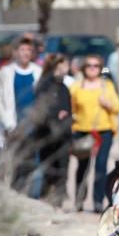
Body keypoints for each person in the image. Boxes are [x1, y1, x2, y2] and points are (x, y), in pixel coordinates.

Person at [70, 54, 119, 213]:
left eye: (96, 66)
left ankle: (98, 201)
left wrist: (108, 104)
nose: (92, 68)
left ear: (100, 68)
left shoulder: (107, 86)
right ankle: (79, 199)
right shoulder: (76, 87)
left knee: (101, 166)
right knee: (82, 167)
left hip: (104, 131)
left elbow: (118, 107)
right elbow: (72, 108)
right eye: (89, 66)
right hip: (82, 131)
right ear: (84, 68)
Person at [0, 38, 42, 189]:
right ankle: (14, 191)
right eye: (22, 50)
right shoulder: (6, 72)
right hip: (13, 124)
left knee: (34, 160)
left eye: (29, 50)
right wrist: (6, 122)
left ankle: (35, 194)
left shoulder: (38, 72)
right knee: (15, 160)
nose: (25, 53)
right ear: (15, 52)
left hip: (33, 124)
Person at [31, 54, 73, 208]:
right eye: (64, 65)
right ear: (56, 66)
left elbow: (67, 109)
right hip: (49, 135)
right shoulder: (45, 85)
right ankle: (50, 197)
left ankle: (58, 198)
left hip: (63, 135)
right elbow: (43, 110)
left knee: (62, 168)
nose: (67, 68)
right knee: (50, 168)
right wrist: (57, 115)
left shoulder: (63, 86)